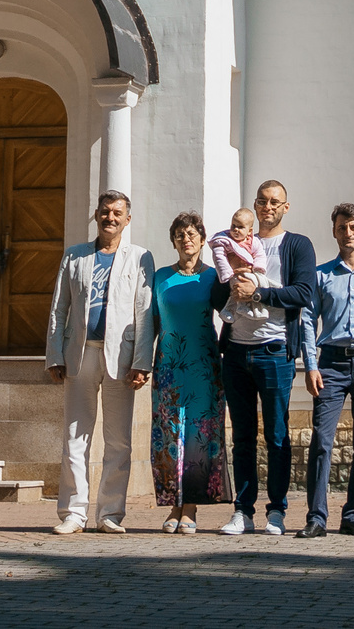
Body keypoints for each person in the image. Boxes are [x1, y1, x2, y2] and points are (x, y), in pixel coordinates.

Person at [44, 190, 155, 535]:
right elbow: (59, 309)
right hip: (80, 354)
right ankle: (73, 513)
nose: (111, 217)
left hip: (120, 358)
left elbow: (144, 311)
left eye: (117, 213)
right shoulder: (74, 256)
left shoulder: (139, 257)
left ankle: (110, 513)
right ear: (96, 214)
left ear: (128, 218)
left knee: (118, 438)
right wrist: (54, 355)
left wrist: (142, 361)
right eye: (105, 211)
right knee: (76, 436)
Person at [214, 178, 317, 536]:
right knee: (241, 436)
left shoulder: (296, 245)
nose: (267, 207)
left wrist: (258, 292)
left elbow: (303, 293)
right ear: (254, 206)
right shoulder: (236, 241)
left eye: (275, 202)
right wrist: (226, 275)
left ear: (285, 207)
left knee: (276, 435)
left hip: (275, 351)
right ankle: (243, 511)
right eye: (261, 201)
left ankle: (276, 511)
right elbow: (217, 294)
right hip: (236, 352)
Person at [297, 202, 354, 538]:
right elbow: (307, 320)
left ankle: (352, 514)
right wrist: (310, 365)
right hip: (330, 362)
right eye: (341, 228)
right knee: (322, 440)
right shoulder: (321, 275)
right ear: (334, 232)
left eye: (353, 227)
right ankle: (317, 518)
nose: (348, 233)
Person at [147, 211, 230, 533]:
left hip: (203, 368)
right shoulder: (160, 278)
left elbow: (233, 314)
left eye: (192, 233)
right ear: (173, 241)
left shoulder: (212, 278)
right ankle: (173, 506)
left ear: (202, 239)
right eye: (180, 234)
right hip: (168, 369)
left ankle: (191, 509)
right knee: (169, 436)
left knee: (198, 436)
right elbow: (150, 324)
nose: (186, 239)